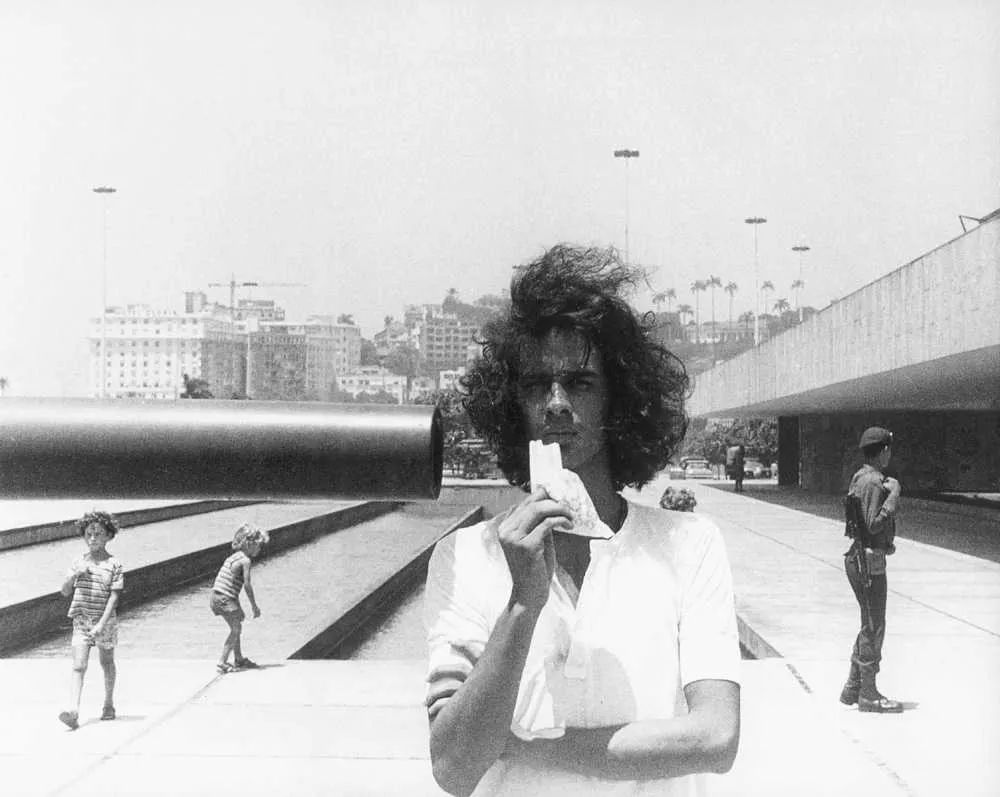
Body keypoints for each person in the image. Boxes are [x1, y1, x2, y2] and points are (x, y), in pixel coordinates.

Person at [424, 245, 741, 796]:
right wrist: (523, 603)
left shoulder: (690, 545)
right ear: (510, 405)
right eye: (534, 384)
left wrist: (530, 747)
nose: (555, 403)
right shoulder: (465, 556)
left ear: (619, 402)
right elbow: (453, 766)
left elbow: (715, 737)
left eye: (580, 383)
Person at [840, 426, 902, 713]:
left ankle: (854, 687)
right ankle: (868, 693)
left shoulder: (862, 478)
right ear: (883, 451)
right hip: (868, 564)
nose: (891, 454)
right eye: (889, 449)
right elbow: (873, 523)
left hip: (863, 558)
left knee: (869, 621)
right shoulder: (875, 483)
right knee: (874, 626)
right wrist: (893, 497)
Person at [58, 511, 125, 729]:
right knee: (79, 665)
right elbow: (65, 591)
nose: (93, 538)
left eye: (98, 534)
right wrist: (73, 576)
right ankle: (73, 710)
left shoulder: (114, 564)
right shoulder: (78, 562)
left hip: (105, 622)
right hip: (81, 620)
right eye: (89, 534)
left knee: (106, 662)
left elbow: (114, 597)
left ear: (108, 536)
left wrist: (101, 624)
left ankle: (108, 703)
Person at [210, 523, 268, 673]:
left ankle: (238, 659)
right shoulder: (245, 561)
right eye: (259, 546)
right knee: (236, 629)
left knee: (236, 624)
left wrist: (238, 607)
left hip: (217, 596)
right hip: (225, 598)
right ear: (249, 544)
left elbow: (229, 585)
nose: (260, 549)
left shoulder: (233, 557)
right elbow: (247, 585)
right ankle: (222, 662)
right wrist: (254, 606)